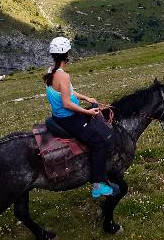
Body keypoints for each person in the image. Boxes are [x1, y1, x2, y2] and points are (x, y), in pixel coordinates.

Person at [43, 36, 118, 198]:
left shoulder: (51, 71)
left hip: (58, 117)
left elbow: (67, 91)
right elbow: (67, 103)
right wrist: (88, 112)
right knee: (100, 143)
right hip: (69, 118)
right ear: (66, 54)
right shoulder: (63, 76)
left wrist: (86, 99)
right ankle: (98, 184)